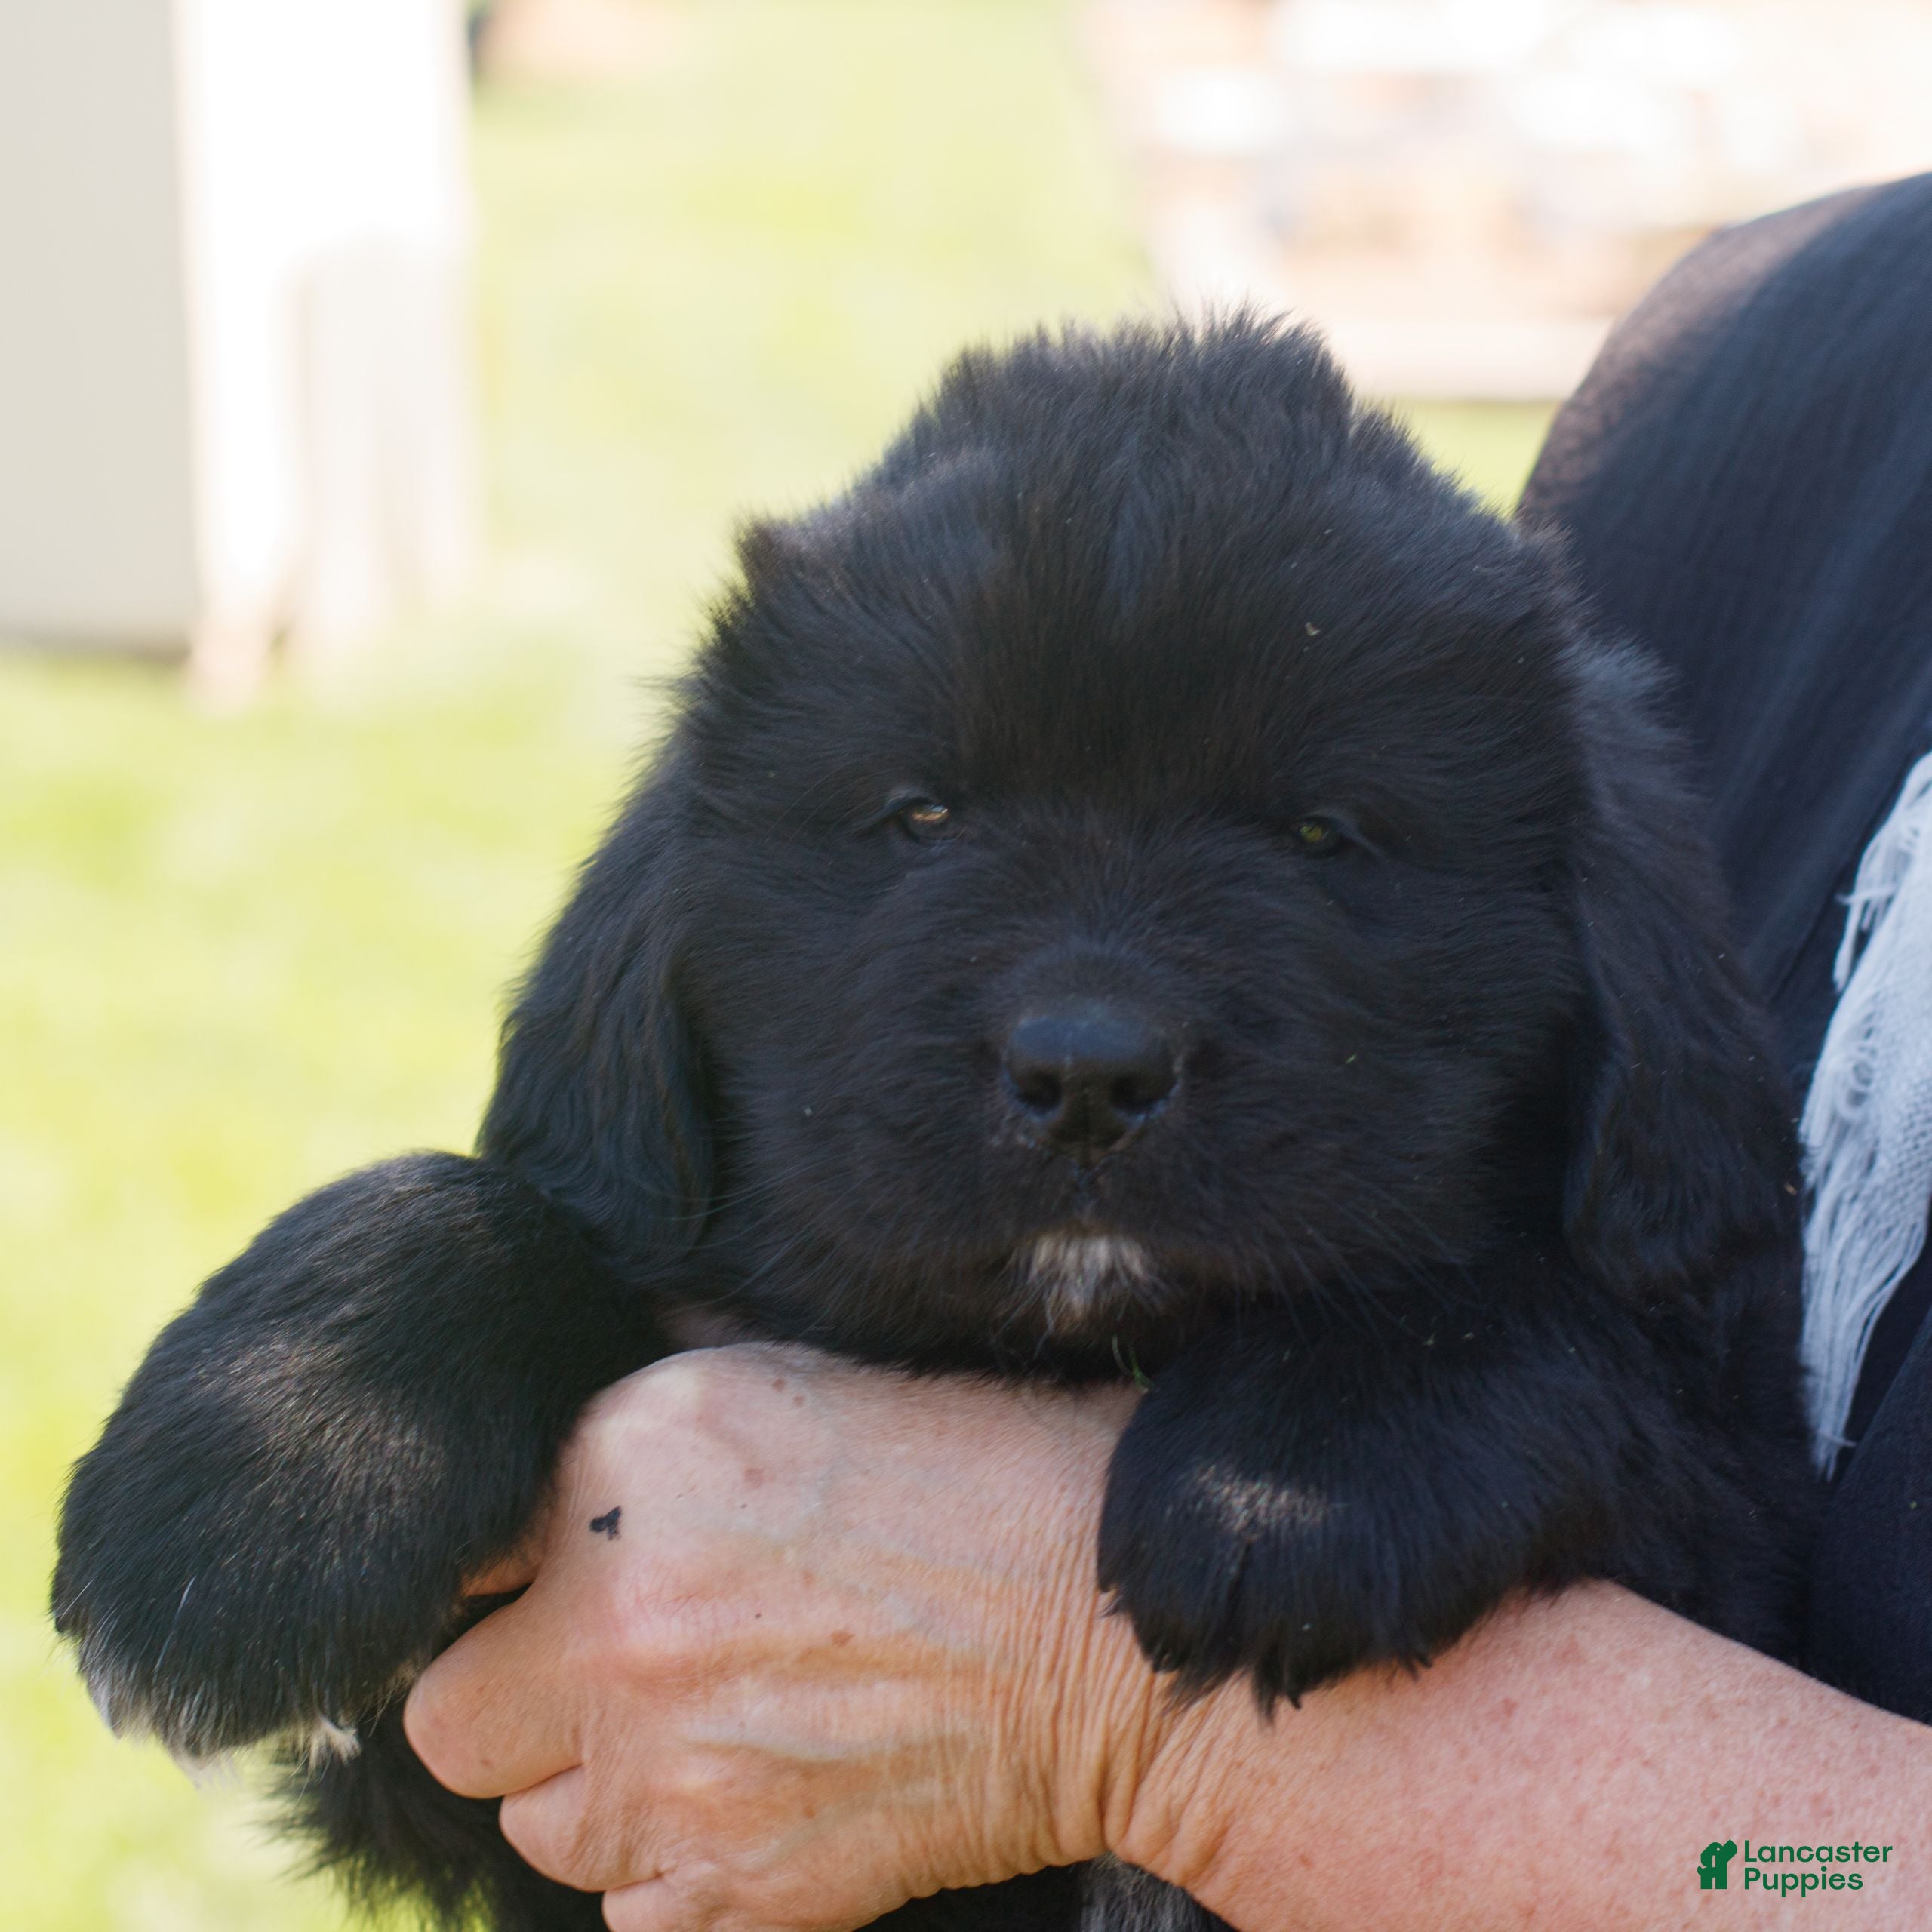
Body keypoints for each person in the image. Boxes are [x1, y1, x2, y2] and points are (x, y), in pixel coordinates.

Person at [405, 174, 1932, 1929]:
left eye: (1317, 838)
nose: (1087, 1027)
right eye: (921, 817)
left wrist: (1137, 1712)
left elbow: (1687, 1318)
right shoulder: (1779, 366)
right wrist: (450, 1305)